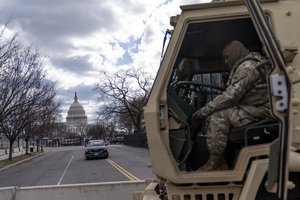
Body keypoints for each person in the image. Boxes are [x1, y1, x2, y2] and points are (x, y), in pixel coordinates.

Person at [192, 40, 271, 171]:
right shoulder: (247, 65)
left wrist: (204, 111)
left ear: (237, 52)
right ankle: (221, 161)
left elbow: (231, 96)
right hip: (253, 108)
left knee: (218, 116)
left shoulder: (247, 67)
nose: (225, 61)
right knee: (215, 114)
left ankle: (216, 163)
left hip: (262, 111)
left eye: (227, 57)